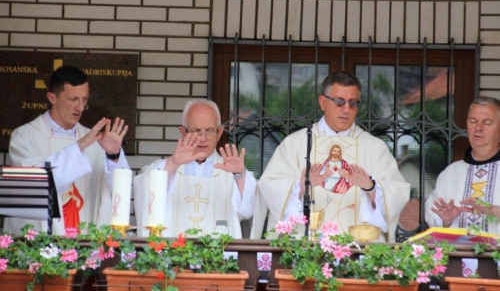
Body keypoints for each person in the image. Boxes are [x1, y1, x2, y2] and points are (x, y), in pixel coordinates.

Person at [251, 71, 410, 242]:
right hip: (304, 250)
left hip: (358, 252)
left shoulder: (374, 148)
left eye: (353, 103)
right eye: (340, 101)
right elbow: (269, 186)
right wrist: (302, 186)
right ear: (323, 102)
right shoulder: (296, 144)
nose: (346, 109)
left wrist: (370, 187)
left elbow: (398, 193)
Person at [7, 66, 130, 234]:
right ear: (52, 97)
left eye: (85, 99)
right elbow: (35, 184)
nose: (80, 107)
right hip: (40, 244)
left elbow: (118, 191)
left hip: (85, 241)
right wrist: (79, 146)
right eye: (73, 99)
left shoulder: (95, 140)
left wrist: (114, 155)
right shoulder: (24, 137)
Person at [134, 99, 256, 238]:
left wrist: (240, 175)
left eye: (209, 130)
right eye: (196, 131)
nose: (203, 138)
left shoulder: (232, 172)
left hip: (218, 257)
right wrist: (173, 163)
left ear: (220, 132)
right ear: (183, 132)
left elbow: (248, 211)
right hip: (173, 255)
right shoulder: (165, 168)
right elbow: (146, 193)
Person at [425, 96, 500, 234]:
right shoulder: (451, 173)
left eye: (487, 122)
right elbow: (434, 217)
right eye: (473, 121)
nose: (478, 128)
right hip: (458, 254)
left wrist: (494, 211)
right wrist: (445, 220)